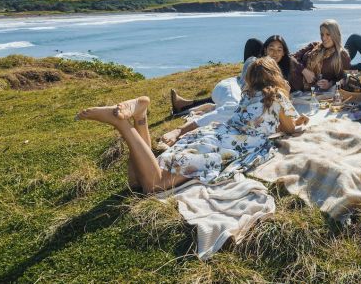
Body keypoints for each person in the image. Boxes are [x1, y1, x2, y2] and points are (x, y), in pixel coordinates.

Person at [75, 57, 307, 192]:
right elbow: (288, 129)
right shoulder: (278, 96)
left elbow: (257, 120)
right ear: (275, 75)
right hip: (232, 146)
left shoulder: (248, 93)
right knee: (153, 185)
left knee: (136, 181)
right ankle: (124, 126)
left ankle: (140, 117)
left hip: (216, 133)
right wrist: (299, 122)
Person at [170, 35, 299, 114]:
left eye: (279, 50)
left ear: (284, 53)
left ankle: (185, 104)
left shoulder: (284, 68)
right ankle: (185, 105)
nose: (274, 53)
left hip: (253, 92)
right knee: (234, 101)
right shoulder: (255, 64)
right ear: (265, 50)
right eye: (271, 48)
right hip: (245, 87)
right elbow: (247, 88)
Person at [291, 19, 351, 91]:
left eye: (328, 34)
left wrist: (330, 84)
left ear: (335, 34)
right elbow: (291, 57)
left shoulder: (342, 55)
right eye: (322, 34)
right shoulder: (314, 46)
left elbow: (345, 78)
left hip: (304, 90)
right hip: (292, 78)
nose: (323, 38)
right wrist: (304, 70)